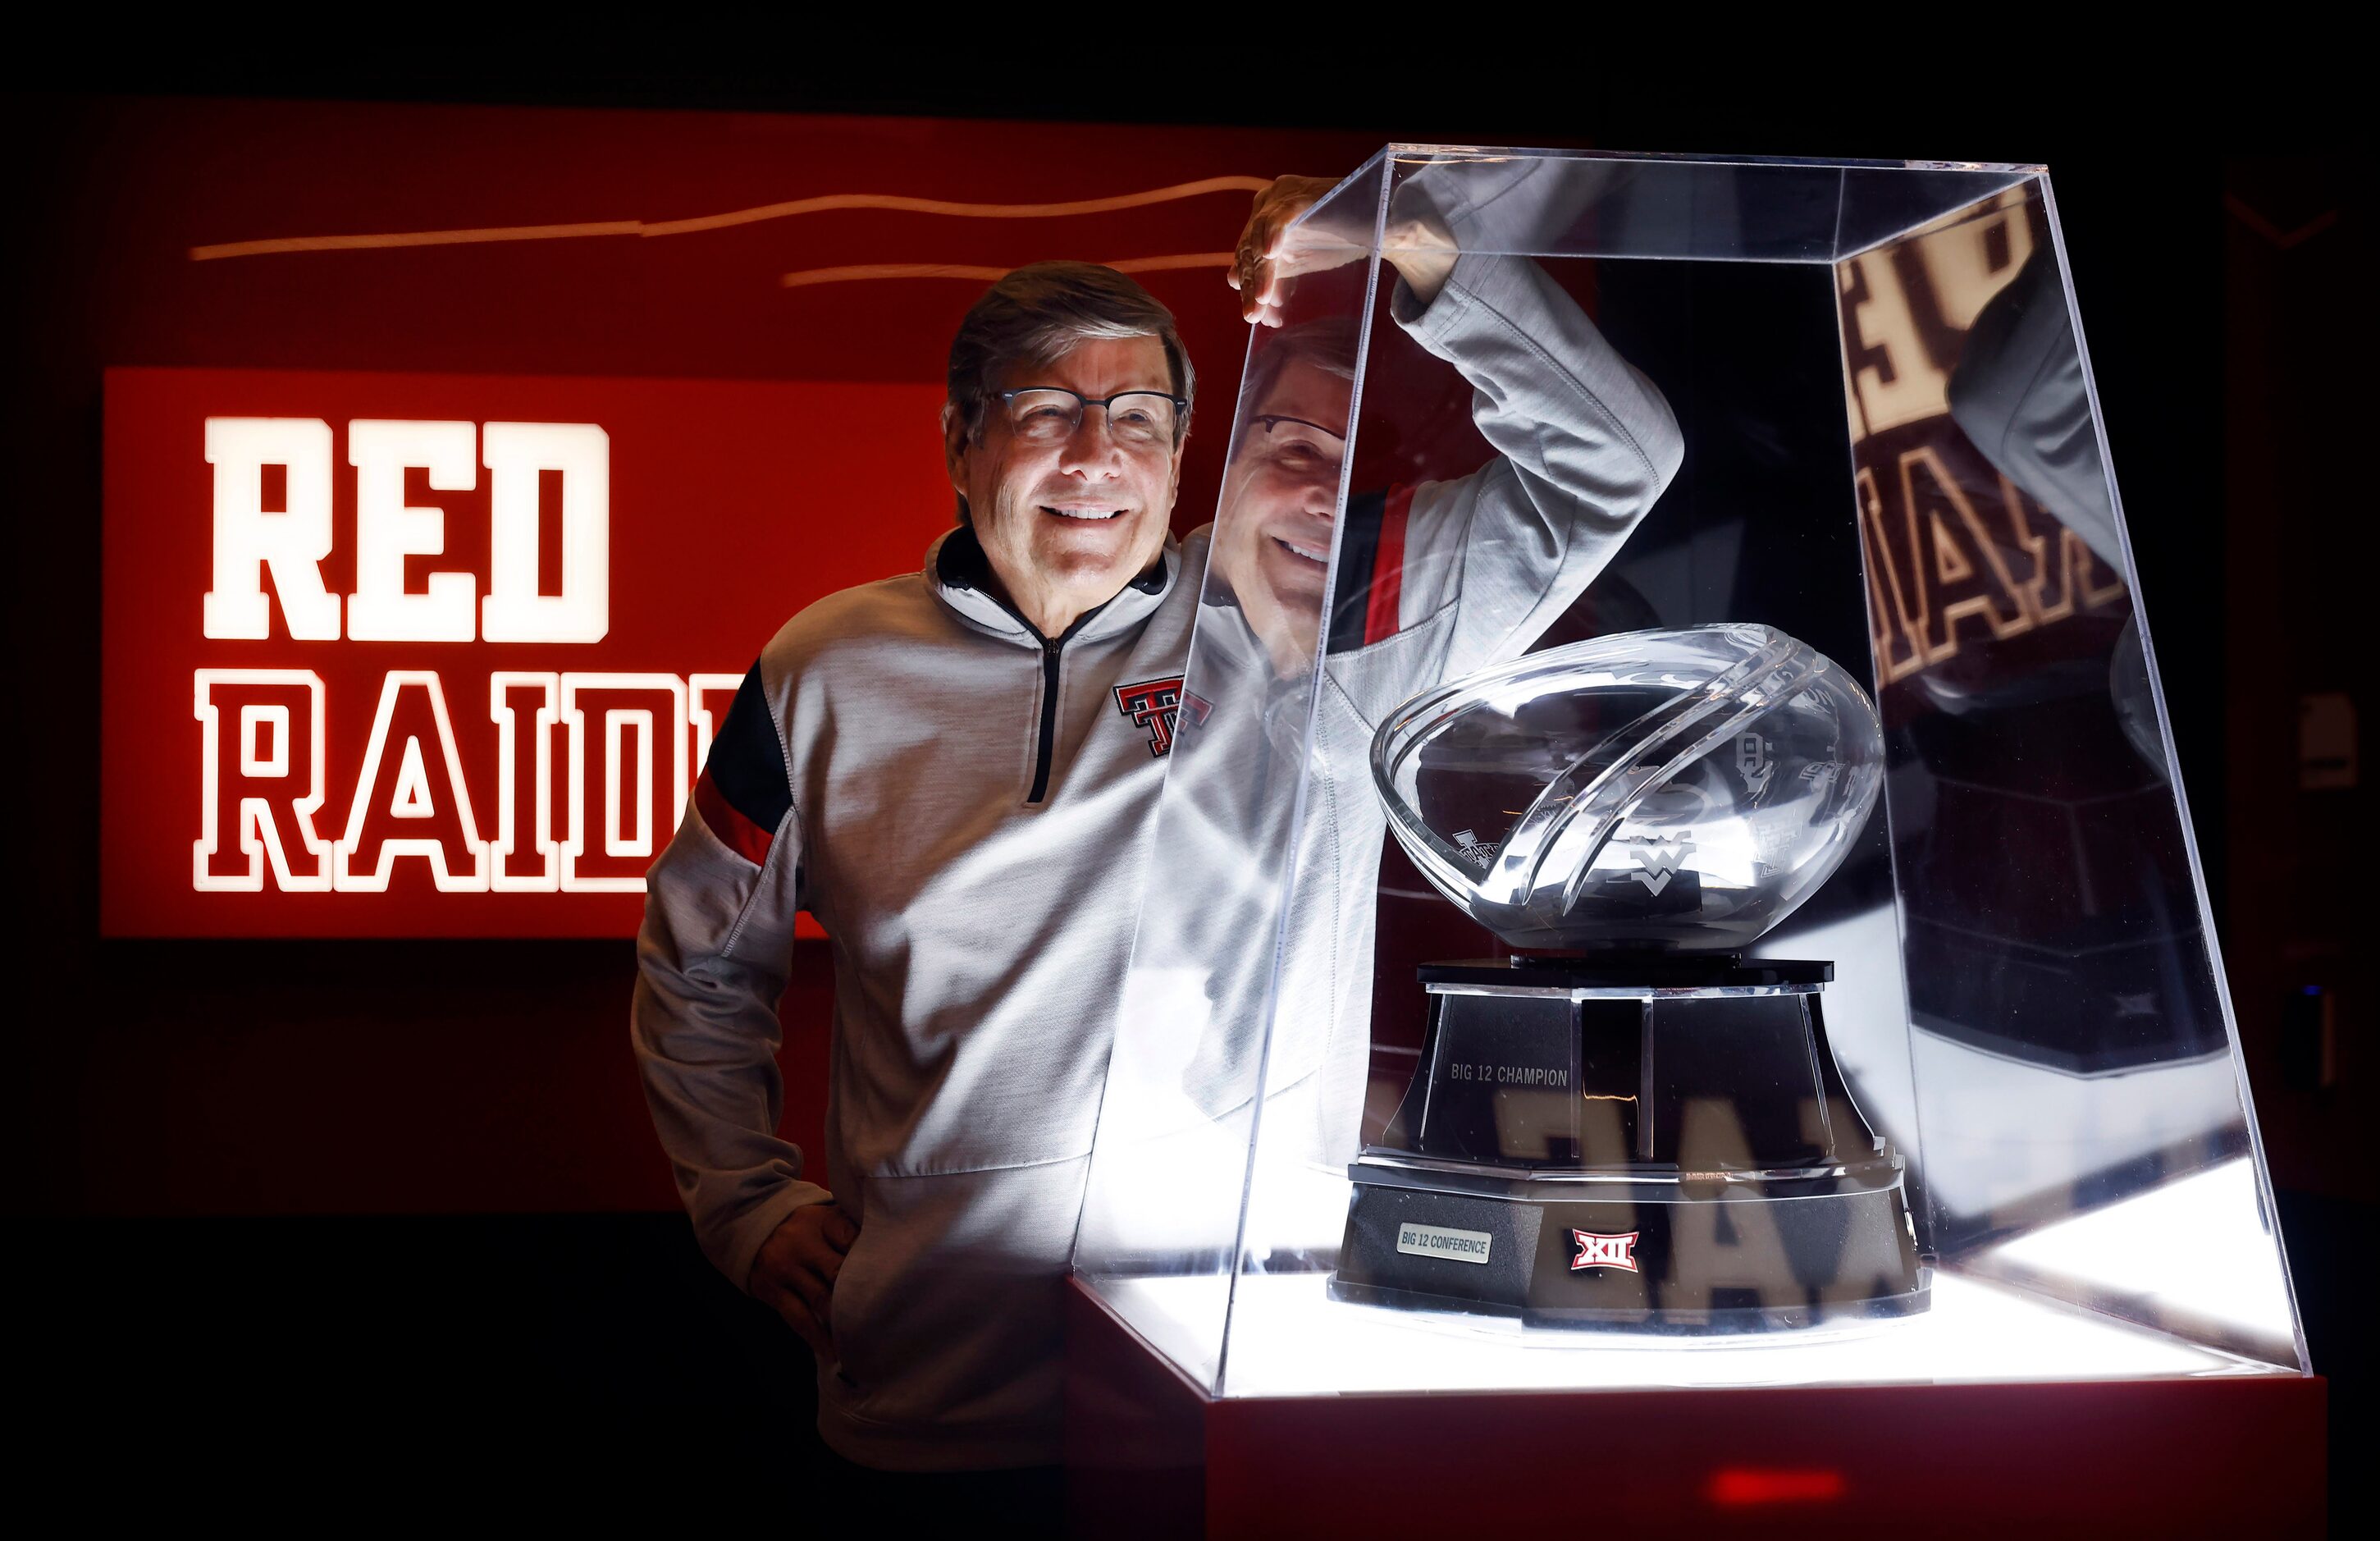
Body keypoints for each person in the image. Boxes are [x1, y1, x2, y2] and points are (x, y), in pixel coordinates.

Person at [631, 167, 1682, 1480]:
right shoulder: (823, 667)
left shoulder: (1302, 619)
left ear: (1184, 448)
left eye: (1138, 414)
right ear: (957, 439)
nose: (1096, 456)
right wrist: (743, 1202)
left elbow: (1619, 460)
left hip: (1229, 1382)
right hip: (931, 1394)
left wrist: (1417, 241)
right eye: (1045, 412)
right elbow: (698, 965)